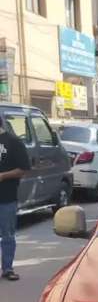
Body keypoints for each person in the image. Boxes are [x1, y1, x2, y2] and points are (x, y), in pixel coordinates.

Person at [0, 114, 31, 281]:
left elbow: (24, 168)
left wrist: (3, 176)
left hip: (6, 197)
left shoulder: (13, 142)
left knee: (7, 234)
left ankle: (7, 268)